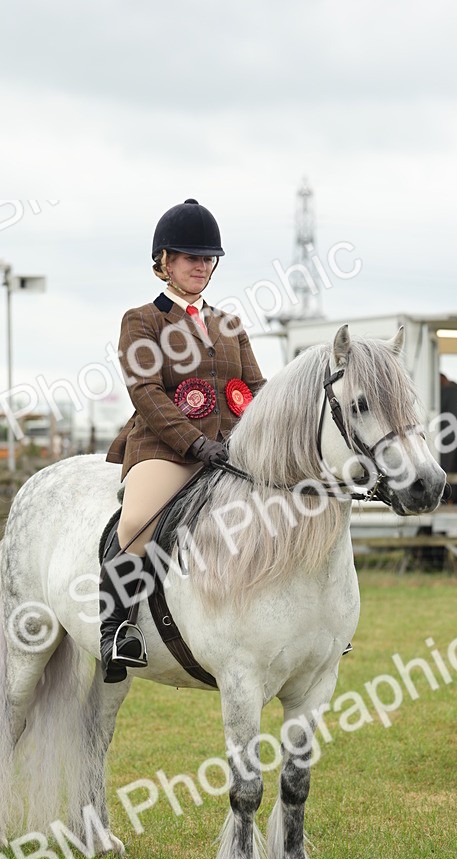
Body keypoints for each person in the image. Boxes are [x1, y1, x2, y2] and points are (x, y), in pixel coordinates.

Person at [102, 198, 266, 683]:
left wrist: (262, 436)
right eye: (191, 257)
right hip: (166, 447)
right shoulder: (143, 320)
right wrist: (196, 445)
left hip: (234, 449)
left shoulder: (229, 324)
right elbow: (146, 392)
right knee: (136, 521)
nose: (202, 265)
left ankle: (310, 626)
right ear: (165, 262)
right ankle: (117, 629)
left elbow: (256, 388)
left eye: (208, 257)